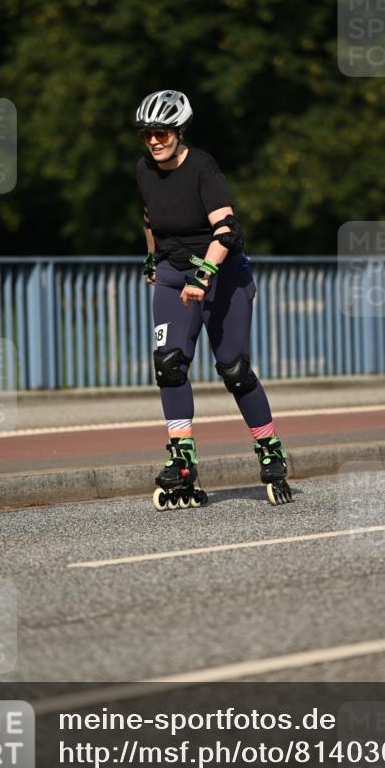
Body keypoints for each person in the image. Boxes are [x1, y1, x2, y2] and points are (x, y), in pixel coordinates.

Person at [135, 89, 292, 508]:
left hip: (222, 275)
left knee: (234, 370)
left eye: (162, 132)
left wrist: (204, 275)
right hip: (173, 276)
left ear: (179, 130)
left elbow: (228, 230)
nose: (154, 140)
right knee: (168, 364)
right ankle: (182, 460)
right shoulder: (144, 170)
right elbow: (150, 217)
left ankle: (270, 450)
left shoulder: (203, 167)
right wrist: (153, 258)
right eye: (148, 133)